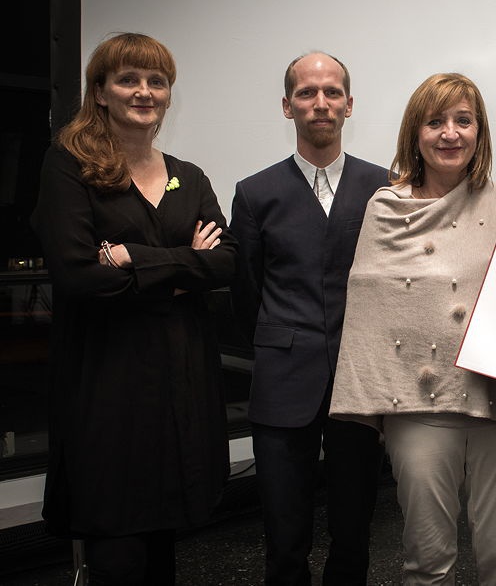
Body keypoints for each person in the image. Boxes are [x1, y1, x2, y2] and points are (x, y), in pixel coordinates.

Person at [329, 72, 496, 586]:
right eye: (435, 121)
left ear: (480, 131)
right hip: (416, 405)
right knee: (428, 561)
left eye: (463, 120)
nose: (450, 133)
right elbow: (369, 307)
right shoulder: (386, 207)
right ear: (415, 132)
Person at [31, 32, 236, 584]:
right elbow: (78, 278)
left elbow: (227, 262)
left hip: (181, 384)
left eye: (156, 81)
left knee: (164, 547)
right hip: (107, 387)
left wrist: (132, 258)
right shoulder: (68, 166)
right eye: (128, 79)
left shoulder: (189, 176)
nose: (144, 91)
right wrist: (184, 268)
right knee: (117, 553)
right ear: (100, 92)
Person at [229, 52, 390, 585]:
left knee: (354, 531)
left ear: (349, 104)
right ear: (287, 106)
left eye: (331, 92)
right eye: (306, 92)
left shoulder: (384, 187)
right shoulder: (255, 193)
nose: (320, 103)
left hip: (359, 382)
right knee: (283, 535)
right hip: (282, 380)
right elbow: (246, 289)